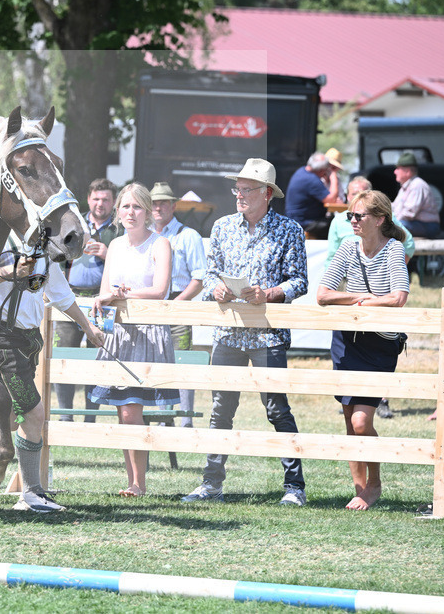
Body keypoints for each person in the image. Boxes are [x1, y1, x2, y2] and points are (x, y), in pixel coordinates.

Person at [181, 158, 309, 507]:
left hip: (268, 333)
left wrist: (270, 293)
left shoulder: (289, 230)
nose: (239, 194)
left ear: (267, 194)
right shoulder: (223, 228)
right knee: (221, 409)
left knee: (277, 408)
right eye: (237, 188)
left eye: (247, 189)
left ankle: (294, 487)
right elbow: (209, 275)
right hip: (228, 333)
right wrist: (216, 289)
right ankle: (211, 483)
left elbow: (299, 282)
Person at [0, 237, 106, 513]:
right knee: (34, 413)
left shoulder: (45, 250)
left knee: (11, 420)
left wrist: (88, 328)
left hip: (29, 340)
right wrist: (11, 271)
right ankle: (31, 494)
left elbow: (62, 295)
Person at [317, 190, 408, 510]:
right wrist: (362, 298)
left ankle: (374, 483)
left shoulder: (394, 249)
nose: (352, 221)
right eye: (350, 216)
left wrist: (361, 300)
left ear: (380, 219)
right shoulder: (346, 248)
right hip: (346, 340)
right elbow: (323, 294)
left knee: (360, 421)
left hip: (380, 344)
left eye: (359, 216)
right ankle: (359, 489)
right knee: (347, 416)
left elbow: (398, 297)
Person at [90, 183, 177, 497]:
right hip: (118, 334)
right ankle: (132, 481)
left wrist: (123, 295)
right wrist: (107, 299)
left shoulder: (160, 243)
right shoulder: (114, 245)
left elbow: (160, 290)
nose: (130, 213)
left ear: (148, 211)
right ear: (118, 212)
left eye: (137, 207)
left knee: (131, 410)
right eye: (125, 207)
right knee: (121, 410)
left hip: (148, 335)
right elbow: (103, 290)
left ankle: (138, 484)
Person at [54, 178, 120, 423]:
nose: (100, 203)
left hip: (100, 301)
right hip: (69, 298)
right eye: (95, 198)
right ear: (89, 199)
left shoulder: (119, 226)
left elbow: (125, 261)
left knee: (97, 359)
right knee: (64, 357)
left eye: (105, 199)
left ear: (113, 202)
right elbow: (57, 251)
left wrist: (106, 253)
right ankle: (65, 415)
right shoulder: (75, 221)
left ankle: (90, 416)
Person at [147, 181, 207, 429]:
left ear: (173, 206)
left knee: (182, 362)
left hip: (178, 303)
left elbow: (200, 278)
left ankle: (184, 421)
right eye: (153, 203)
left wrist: (177, 304)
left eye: (163, 202)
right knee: (157, 362)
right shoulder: (146, 236)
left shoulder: (188, 235)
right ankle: (162, 419)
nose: (158, 207)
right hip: (151, 304)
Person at [327, 176, 414, 266]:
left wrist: (396, 266)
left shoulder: (384, 217)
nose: (358, 197)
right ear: (347, 196)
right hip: (346, 277)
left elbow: (409, 244)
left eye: (362, 194)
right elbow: (331, 257)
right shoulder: (338, 222)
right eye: (354, 194)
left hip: (378, 275)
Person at [284, 151, 343, 238]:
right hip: (304, 222)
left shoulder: (302, 171)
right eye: (326, 170)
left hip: (298, 219)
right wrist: (333, 177)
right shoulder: (311, 179)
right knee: (336, 225)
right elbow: (331, 200)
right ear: (321, 170)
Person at [392, 152, 440, 238]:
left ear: (408, 172)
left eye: (398, 169)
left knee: (397, 225)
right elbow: (395, 207)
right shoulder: (405, 186)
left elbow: (409, 213)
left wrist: (392, 221)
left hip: (428, 226)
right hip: (416, 224)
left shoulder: (417, 185)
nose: (395, 172)